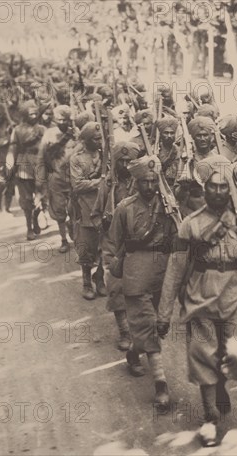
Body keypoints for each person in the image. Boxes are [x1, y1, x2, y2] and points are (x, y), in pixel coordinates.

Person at [157, 155, 237, 447]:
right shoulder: (190, 225)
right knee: (203, 356)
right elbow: (175, 269)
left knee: (234, 357)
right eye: (213, 187)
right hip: (200, 297)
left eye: (224, 187)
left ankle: (221, 382)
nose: (219, 192)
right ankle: (210, 418)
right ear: (205, 189)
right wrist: (164, 312)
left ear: (230, 190)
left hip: (235, 296)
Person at [105, 154, 178, 409]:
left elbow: (178, 238)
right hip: (135, 272)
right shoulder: (125, 207)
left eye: (153, 181)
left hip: (162, 271)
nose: (150, 186)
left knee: (155, 324)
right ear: (136, 182)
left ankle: (134, 352)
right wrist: (113, 274)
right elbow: (113, 243)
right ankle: (161, 384)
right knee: (146, 323)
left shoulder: (169, 205)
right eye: (145, 181)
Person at [92, 141, 140, 352]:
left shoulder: (143, 182)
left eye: (130, 161)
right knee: (116, 287)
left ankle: (141, 331)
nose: (126, 164)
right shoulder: (108, 185)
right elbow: (95, 214)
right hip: (113, 243)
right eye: (121, 160)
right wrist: (103, 222)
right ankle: (125, 332)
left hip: (139, 243)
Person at [70, 121, 107, 300]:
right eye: (95, 139)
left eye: (100, 138)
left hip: (104, 206)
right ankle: (86, 282)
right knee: (86, 246)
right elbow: (77, 185)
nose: (99, 141)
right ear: (85, 140)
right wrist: (99, 182)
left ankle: (99, 278)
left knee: (104, 245)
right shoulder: (76, 157)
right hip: (85, 207)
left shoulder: (105, 154)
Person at [36, 105, 77, 253]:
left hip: (73, 178)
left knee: (74, 209)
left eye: (64, 119)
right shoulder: (50, 134)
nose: (61, 122)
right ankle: (64, 240)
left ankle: (74, 231)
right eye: (58, 119)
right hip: (56, 177)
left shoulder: (76, 134)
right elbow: (41, 156)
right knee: (59, 210)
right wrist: (40, 178)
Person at [6, 100, 46, 240]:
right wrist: (9, 165)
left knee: (42, 196)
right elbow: (13, 148)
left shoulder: (42, 129)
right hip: (24, 165)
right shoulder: (17, 130)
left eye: (36, 113)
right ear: (24, 115)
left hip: (41, 165)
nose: (34, 116)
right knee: (27, 199)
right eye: (31, 114)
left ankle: (36, 216)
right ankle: (29, 226)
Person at [174, 116, 218, 216]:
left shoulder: (218, 159)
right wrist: (183, 188)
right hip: (192, 212)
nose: (202, 139)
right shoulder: (187, 160)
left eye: (205, 135)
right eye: (198, 136)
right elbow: (177, 193)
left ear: (211, 138)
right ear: (193, 138)